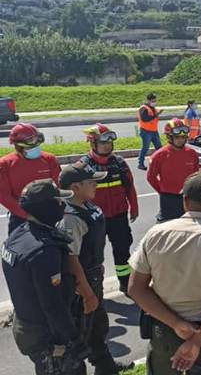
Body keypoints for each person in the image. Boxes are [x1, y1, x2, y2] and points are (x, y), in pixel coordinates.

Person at [129, 172, 201, 375]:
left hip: (165, 331)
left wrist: (177, 324)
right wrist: (198, 339)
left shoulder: (156, 234)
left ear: (185, 201)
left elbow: (136, 289)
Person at [2, 179, 89, 374]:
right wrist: (73, 338)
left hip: (26, 323)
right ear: (46, 207)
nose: (62, 205)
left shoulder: (18, 235)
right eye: (58, 201)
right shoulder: (44, 251)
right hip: (48, 335)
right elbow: (52, 304)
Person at [59, 163, 134, 374]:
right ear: (75, 187)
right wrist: (87, 293)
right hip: (80, 286)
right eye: (91, 182)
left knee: (98, 327)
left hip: (93, 277)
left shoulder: (87, 206)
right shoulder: (70, 218)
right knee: (79, 335)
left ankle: (106, 367)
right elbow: (71, 259)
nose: (96, 185)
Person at [79, 124, 139, 294]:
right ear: (93, 144)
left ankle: (125, 283)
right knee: (93, 255)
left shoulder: (119, 163)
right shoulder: (84, 166)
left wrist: (134, 207)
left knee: (122, 251)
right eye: (102, 142)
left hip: (118, 217)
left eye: (109, 142)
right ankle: (94, 288)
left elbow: (130, 187)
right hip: (94, 219)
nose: (107, 146)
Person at [0, 123, 61, 233]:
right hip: (20, 216)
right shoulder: (5, 164)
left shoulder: (49, 159)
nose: (36, 148)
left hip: (49, 213)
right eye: (31, 145)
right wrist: (27, 216)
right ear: (18, 146)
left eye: (37, 144)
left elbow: (61, 185)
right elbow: (4, 195)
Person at [147, 118, 200, 222]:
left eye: (183, 137)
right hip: (169, 199)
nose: (180, 139)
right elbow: (151, 177)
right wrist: (163, 191)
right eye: (177, 137)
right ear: (169, 137)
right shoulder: (159, 155)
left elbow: (196, 175)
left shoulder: (192, 153)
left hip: (188, 197)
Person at [137, 92, 163, 171]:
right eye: (153, 100)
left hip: (154, 131)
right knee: (145, 148)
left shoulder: (153, 109)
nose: (154, 102)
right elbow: (145, 119)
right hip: (146, 131)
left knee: (159, 148)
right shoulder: (144, 108)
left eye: (155, 100)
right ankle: (140, 164)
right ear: (148, 100)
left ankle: (161, 162)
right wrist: (156, 115)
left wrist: (157, 114)